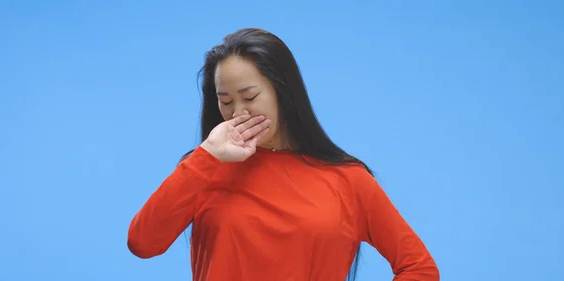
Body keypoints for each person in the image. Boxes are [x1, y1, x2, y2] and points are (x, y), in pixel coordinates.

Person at [127, 28, 439, 281]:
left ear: (283, 91)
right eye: (225, 101)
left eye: (249, 96)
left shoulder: (349, 181)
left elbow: (420, 269)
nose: (238, 113)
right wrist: (206, 156)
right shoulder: (203, 169)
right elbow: (143, 243)